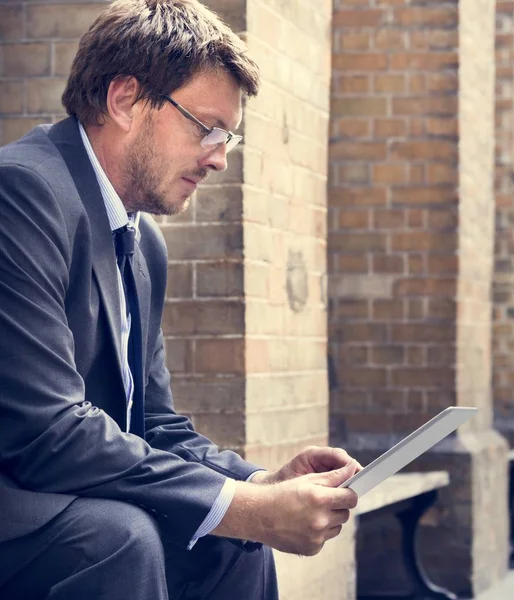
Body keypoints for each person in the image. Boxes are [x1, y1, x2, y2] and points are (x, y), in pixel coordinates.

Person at [0, 1, 360, 598]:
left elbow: (155, 424)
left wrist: (260, 484)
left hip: (56, 489)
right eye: (207, 128)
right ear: (124, 100)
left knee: (229, 541)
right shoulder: (22, 195)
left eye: (229, 137)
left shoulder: (141, 241)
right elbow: (46, 432)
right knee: (120, 535)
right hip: (19, 495)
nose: (219, 156)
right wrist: (245, 506)